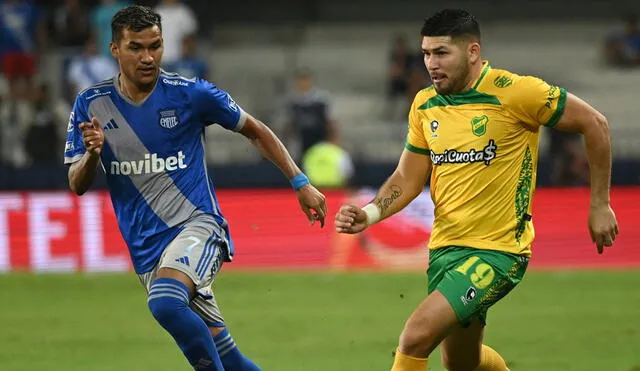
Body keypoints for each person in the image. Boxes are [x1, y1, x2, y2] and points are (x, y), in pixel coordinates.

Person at [334, 9, 619, 371]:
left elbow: (595, 124)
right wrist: (370, 212)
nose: (431, 64)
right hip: (445, 250)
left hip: (498, 253)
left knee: (415, 337)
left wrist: (599, 205)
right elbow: (408, 176)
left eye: (441, 53)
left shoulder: (517, 92)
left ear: (472, 52)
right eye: (425, 54)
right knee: (462, 364)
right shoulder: (425, 104)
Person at [63, 5, 327, 371]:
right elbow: (77, 183)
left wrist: (300, 182)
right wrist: (93, 153)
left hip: (199, 226)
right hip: (147, 249)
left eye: (155, 46)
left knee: (166, 304)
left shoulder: (190, 94)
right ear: (115, 50)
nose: (148, 57)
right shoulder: (91, 104)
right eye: (136, 47)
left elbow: (256, 130)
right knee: (228, 357)